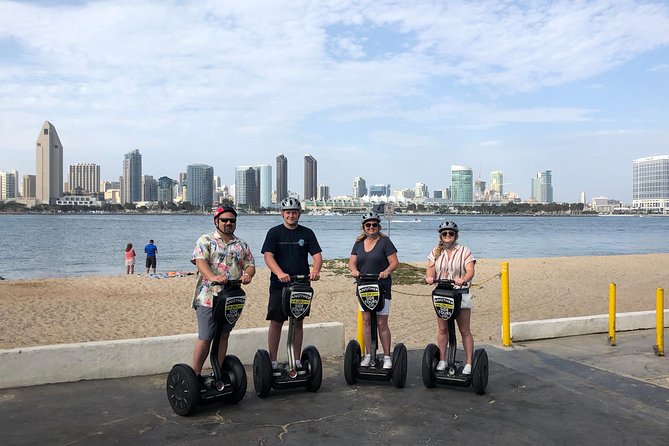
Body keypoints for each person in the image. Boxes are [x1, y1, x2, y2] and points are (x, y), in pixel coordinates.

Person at [190, 205, 255, 376]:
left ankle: (216, 373)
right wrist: (212, 277)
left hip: (231, 298)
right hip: (208, 297)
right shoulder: (205, 240)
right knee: (206, 337)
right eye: (224, 220)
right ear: (216, 221)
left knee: (224, 335)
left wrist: (247, 275)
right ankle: (194, 375)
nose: (228, 223)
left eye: (232, 220)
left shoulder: (241, 244)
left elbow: (250, 265)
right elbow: (200, 261)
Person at [261, 197, 322, 369]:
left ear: (299, 213)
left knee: (298, 321)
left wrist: (315, 271)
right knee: (276, 321)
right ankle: (272, 361)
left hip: (301, 284)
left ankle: (295, 359)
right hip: (279, 285)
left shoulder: (307, 233)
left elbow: (317, 255)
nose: (291, 215)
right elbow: (268, 256)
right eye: (288, 212)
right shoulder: (274, 233)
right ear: (282, 214)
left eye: (294, 212)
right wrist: (279, 273)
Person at [348, 211, 399, 369]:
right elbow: (352, 262)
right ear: (364, 227)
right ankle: (369, 354)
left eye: (374, 225)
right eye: (368, 225)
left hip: (382, 287)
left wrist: (387, 271)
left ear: (378, 226)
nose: (371, 227)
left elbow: (394, 262)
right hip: (364, 286)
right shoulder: (358, 243)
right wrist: (354, 270)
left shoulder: (385, 242)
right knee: (366, 321)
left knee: (382, 323)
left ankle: (386, 357)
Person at [425, 220, 477, 374]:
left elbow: (470, 270)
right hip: (442, 293)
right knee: (442, 329)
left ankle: (469, 363)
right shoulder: (435, 252)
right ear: (441, 236)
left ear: (456, 235)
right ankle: (442, 359)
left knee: (464, 330)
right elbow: (430, 269)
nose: (447, 236)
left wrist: (464, 279)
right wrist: (429, 278)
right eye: (444, 233)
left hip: (460, 294)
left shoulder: (464, 251)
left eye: (451, 233)